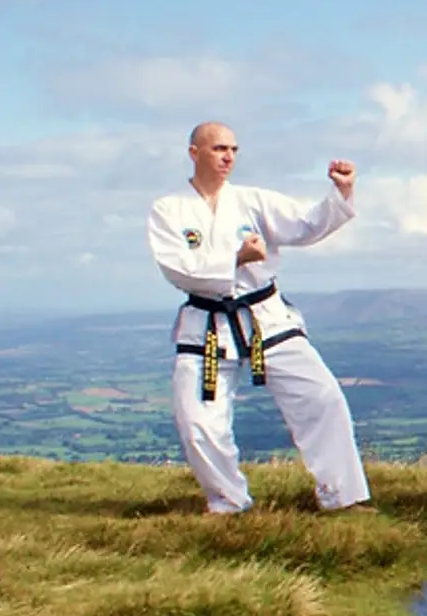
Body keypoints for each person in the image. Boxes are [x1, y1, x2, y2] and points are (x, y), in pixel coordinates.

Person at [144, 121, 374, 515]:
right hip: (207, 324)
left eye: (233, 149)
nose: (228, 156)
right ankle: (228, 504)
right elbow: (177, 268)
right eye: (218, 149)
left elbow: (305, 225)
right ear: (194, 152)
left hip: (266, 315)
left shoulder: (252, 200)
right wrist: (237, 259)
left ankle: (343, 499)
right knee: (198, 422)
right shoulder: (169, 209)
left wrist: (342, 191)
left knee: (323, 397)